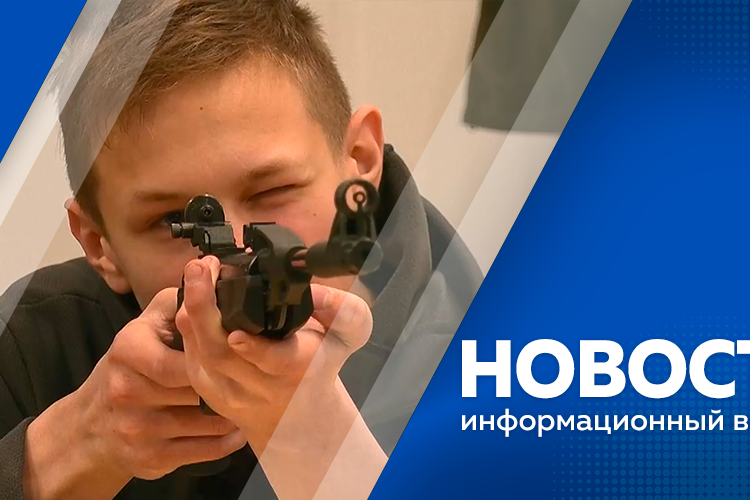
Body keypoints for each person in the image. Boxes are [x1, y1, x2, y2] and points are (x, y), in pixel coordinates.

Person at [0, 1, 481, 499]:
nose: (232, 255)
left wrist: (314, 443)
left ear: (359, 162)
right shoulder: (38, 340)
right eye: (172, 221)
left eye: (271, 192)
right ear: (99, 244)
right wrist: (64, 452)